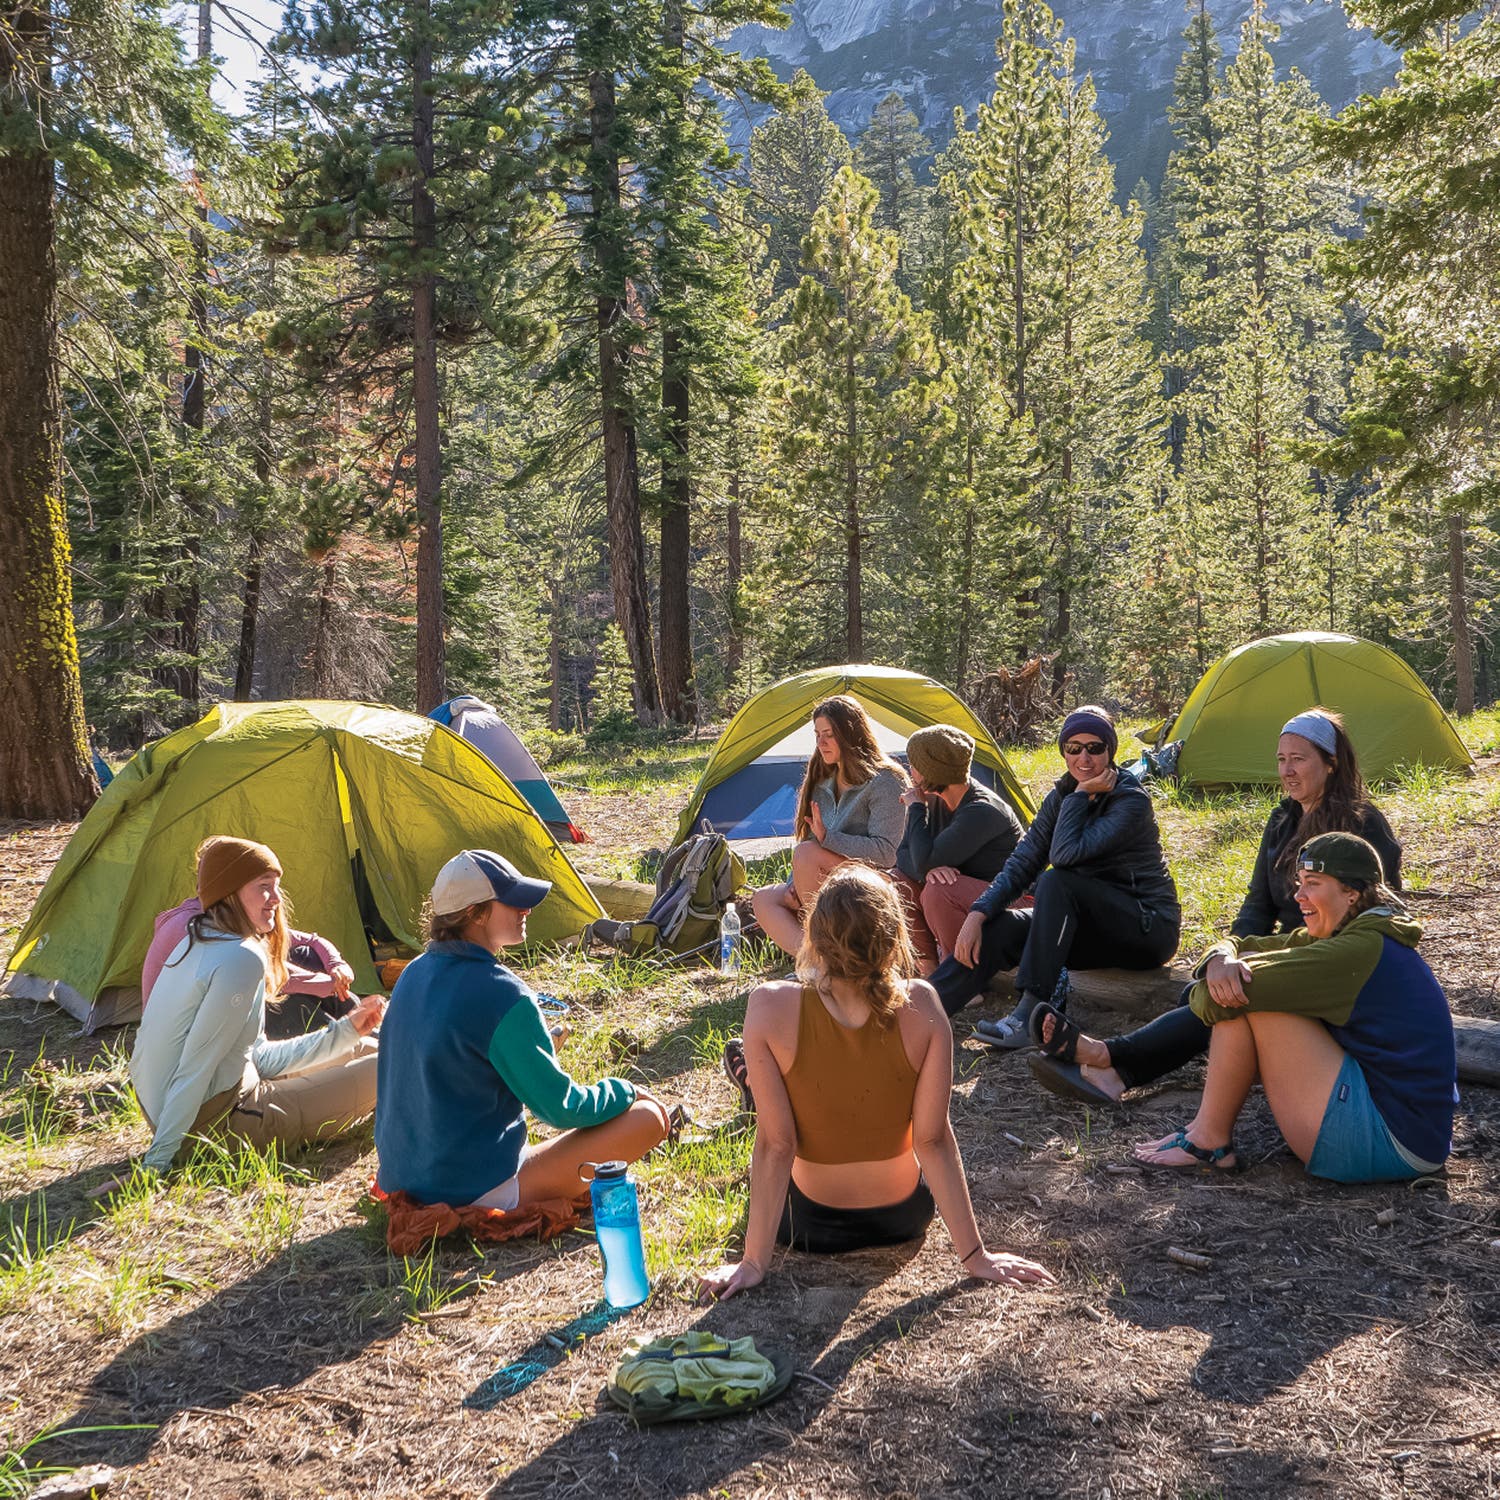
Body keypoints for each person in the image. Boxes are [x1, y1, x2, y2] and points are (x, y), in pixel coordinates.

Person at [700, 867, 1055, 1301]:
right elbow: (934, 1140)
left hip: (808, 1223)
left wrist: (753, 1262)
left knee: (773, 1095)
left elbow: (777, 1145)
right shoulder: (924, 1003)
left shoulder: (769, 1004)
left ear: (813, 935)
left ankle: (754, 1083)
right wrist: (976, 1255)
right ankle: (756, 1082)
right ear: (895, 938)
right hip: (903, 1218)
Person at [1029, 708, 1403, 1105]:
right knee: (1199, 990)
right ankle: (1120, 1072)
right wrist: (1228, 952)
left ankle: (1110, 1061)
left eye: (1299, 759)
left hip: (1337, 962)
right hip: (1286, 949)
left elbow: (1380, 912)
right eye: (1281, 759)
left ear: (1330, 763)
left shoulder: (1362, 824)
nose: (1287, 771)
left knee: (1223, 995)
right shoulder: (1281, 821)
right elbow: (1257, 907)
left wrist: (1255, 965)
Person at [1131, 833, 1455, 1180]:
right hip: (1412, 1135)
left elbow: (1212, 999)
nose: (1298, 896)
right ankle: (1204, 1133)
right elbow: (1244, 944)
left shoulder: (1357, 950)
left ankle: (1208, 1140)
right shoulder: (1349, 932)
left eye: (1312, 884)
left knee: (1248, 993)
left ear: (1352, 892)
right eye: (1299, 883)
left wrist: (1211, 983)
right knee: (1249, 972)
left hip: (1392, 1145)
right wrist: (1219, 957)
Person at [375, 850, 671, 1210]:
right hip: (471, 1188)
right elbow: (561, 1108)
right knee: (649, 1120)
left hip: (403, 1179)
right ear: (475, 913)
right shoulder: (503, 992)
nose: (526, 910)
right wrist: (626, 1091)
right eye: (513, 902)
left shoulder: (412, 973)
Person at [129, 838, 384, 1176]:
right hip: (217, 1123)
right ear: (230, 892)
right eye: (264, 887)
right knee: (391, 1067)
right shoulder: (240, 958)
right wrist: (156, 1162)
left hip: (187, 1107)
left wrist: (347, 1031)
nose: (277, 900)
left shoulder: (199, 935)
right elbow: (196, 1065)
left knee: (367, 1046)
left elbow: (257, 1056)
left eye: (276, 887)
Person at [931, 706, 1181, 1045]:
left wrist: (1079, 798)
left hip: (1145, 926)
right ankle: (925, 1007)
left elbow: (1062, 857)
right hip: (1086, 928)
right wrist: (978, 912)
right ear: (1063, 751)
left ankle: (1030, 1014)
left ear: (1111, 751)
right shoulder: (1061, 796)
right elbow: (1024, 860)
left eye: (1095, 748)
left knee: (1056, 881)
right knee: (1000, 927)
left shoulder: (1130, 800)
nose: (1084, 759)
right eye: (1073, 748)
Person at [142, 836, 362, 1038]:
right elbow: (260, 975)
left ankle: (364, 1024)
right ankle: (345, 1040)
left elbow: (309, 942)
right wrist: (319, 984)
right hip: (186, 1044)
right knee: (276, 1000)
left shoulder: (233, 914)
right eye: (264, 886)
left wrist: (335, 966)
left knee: (302, 955)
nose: (277, 899)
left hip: (218, 1024)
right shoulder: (191, 928)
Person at [751, 696, 907, 957]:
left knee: (806, 853)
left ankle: (828, 959)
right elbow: (812, 840)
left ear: (850, 734)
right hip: (827, 877)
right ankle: (815, 964)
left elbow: (886, 853)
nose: (820, 743)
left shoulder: (885, 781)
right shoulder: (823, 780)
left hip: (873, 879)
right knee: (764, 899)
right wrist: (794, 884)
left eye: (829, 735)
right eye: (817, 735)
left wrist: (829, 838)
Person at [891, 725, 1023, 973]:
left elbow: (921, 860)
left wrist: (915, 810)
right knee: (898, 880)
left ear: (932, 770)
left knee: (938, 890)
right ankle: (932, 973)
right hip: (972, 901)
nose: (911, 771)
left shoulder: (982, 811)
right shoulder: (934, 798)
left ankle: (961, 978)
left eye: (915, 764)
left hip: (1013, 902)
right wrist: (926, 869)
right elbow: (903, 856)